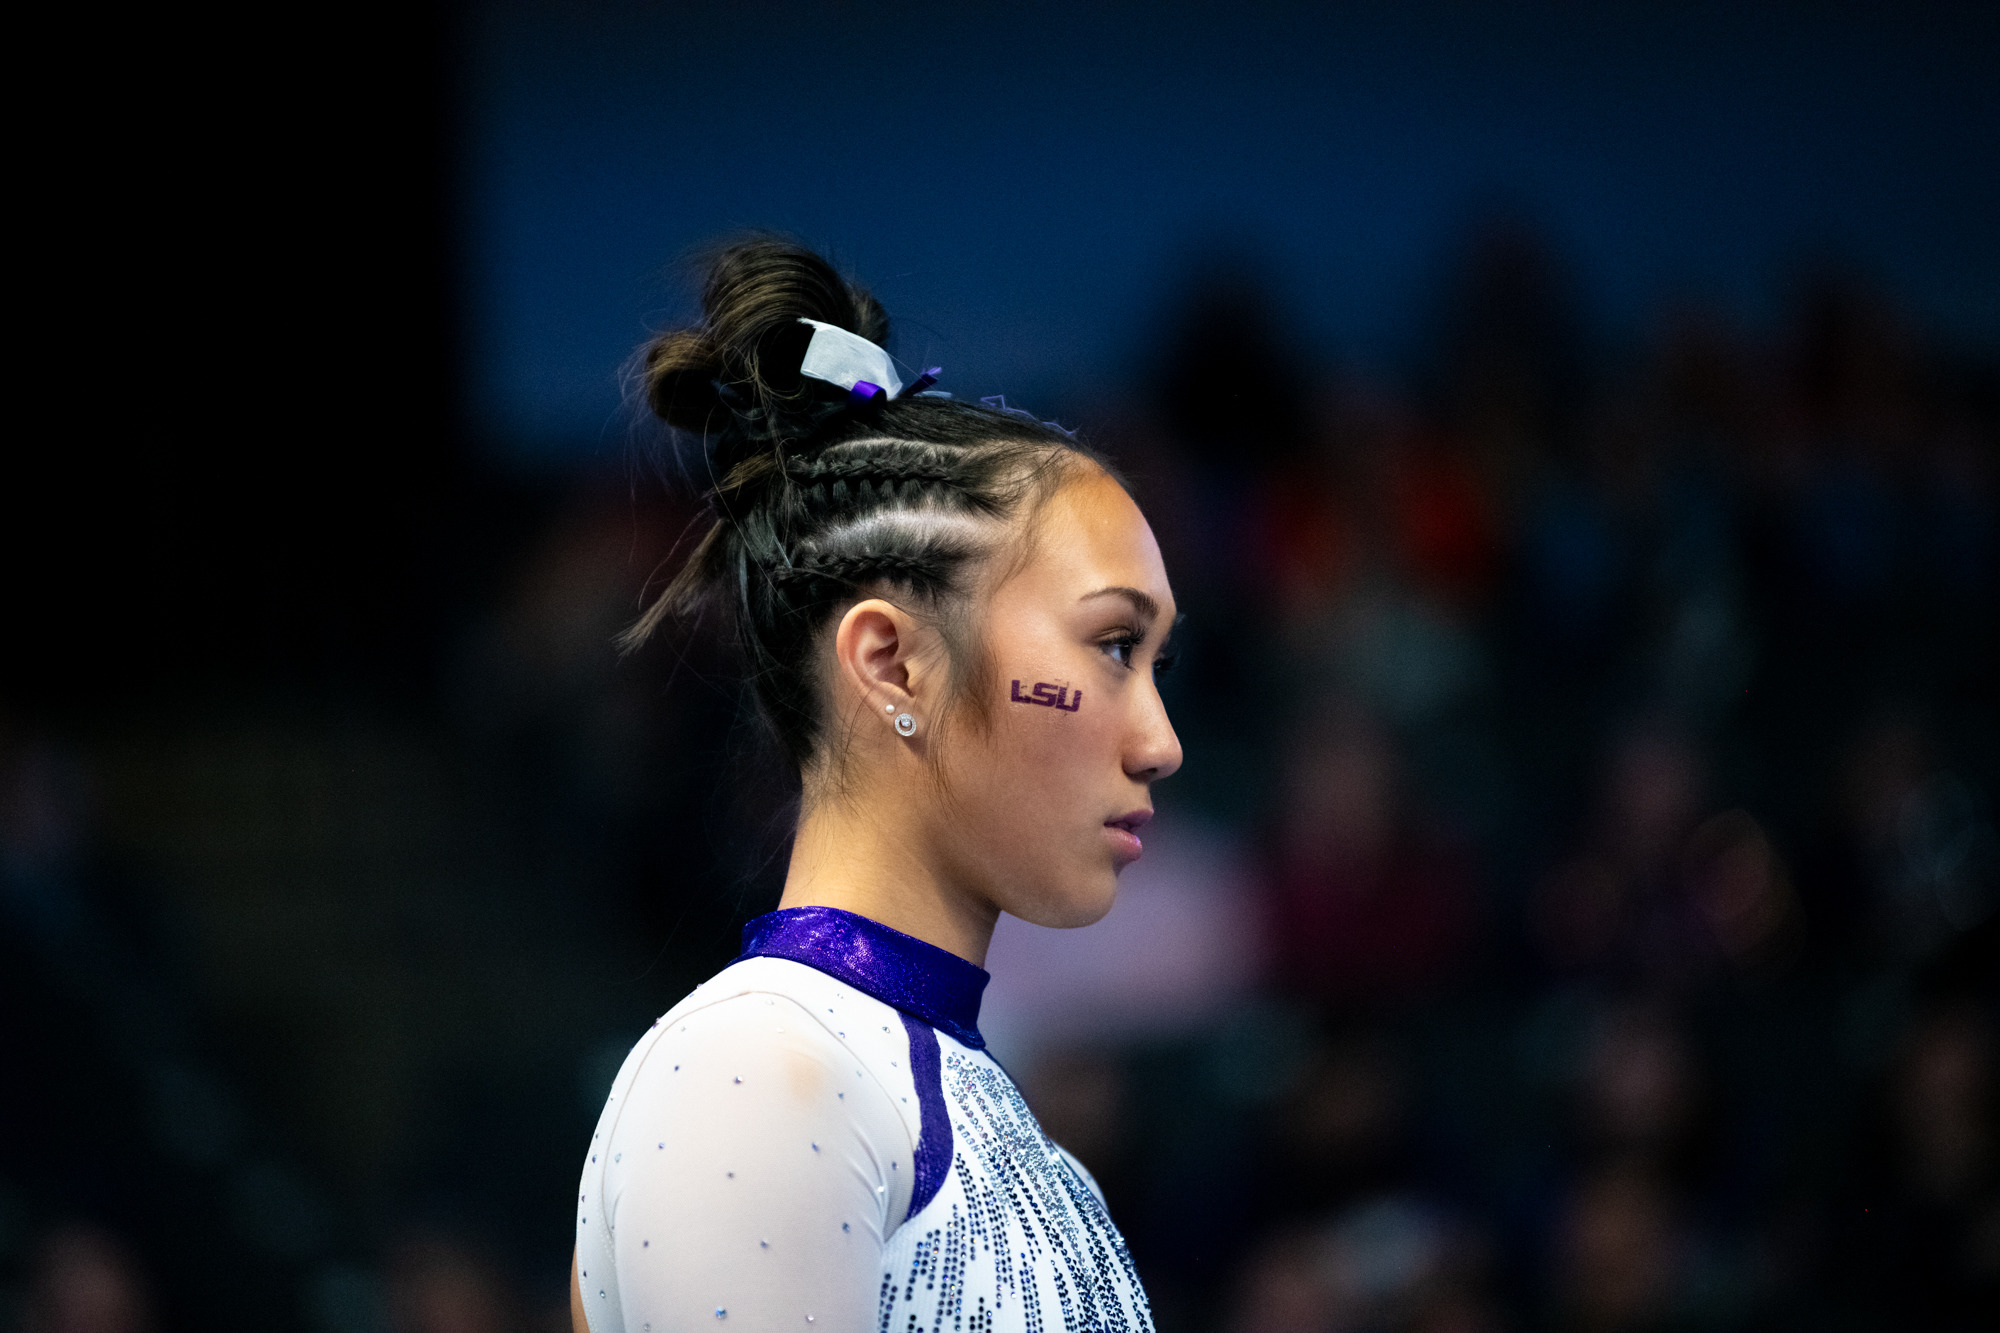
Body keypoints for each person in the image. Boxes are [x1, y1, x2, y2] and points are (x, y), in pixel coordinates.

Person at [570, 239, 1183, 1331]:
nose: (1159, 741)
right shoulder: (761, 1076)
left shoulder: (942, 1096)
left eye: (1156, 663)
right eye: (1107, 648)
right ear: (892, 663)